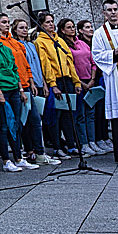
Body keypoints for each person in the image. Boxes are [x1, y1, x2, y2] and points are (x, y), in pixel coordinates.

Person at [0, 19, 37, 172]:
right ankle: (6, 160)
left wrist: (21, 90)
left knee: (16, 123)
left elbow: (14, 69)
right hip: (1, 90)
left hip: (14, 89)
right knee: (4, 124)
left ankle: (18, 157)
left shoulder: (5, 48)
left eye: (0, 30)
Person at [6, 17, 53, 164]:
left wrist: (43, 83)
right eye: (21, 27)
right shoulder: (15, 45)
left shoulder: (31, 45)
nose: (24, 30)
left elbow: (36, 65)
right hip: (23, 84)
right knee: (27, 119)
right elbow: (20, 67)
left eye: (26, 27)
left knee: (37, 118)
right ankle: (30, 150)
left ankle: (39, 151)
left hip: (36, 82)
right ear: (14, 30)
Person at [35, 13, 82, 158]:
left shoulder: (59, 40)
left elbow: (70, 61)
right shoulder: (40, 41)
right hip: (55, 80)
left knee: (68, 114)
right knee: (56, 116)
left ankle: (71, 144)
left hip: (66, 79)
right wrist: (53, 84)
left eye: (52, 21)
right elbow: (45, 64)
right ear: (41, 25)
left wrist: (76, 81)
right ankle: (56, 147)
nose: (51, 24)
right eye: (47, 22)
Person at [92, 7, 118, 163]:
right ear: (104, 13)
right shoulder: (99, 34)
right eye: (109, 10)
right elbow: (96, 55)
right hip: (115, 76)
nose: (113, 12)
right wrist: (114, 52)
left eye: (115, 9)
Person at [68, 20, 99, 155]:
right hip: (78, 82)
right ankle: (84, 143)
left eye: (72, 27)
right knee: (80, 114)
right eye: (69, 27)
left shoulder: (82, 43)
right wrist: (80, 82)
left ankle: (92, 141)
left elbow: (92, 62)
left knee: (90, 114)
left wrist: (92, 79)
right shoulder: (65, 45)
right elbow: (70, 66)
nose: (72, 29)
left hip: (89, 79)